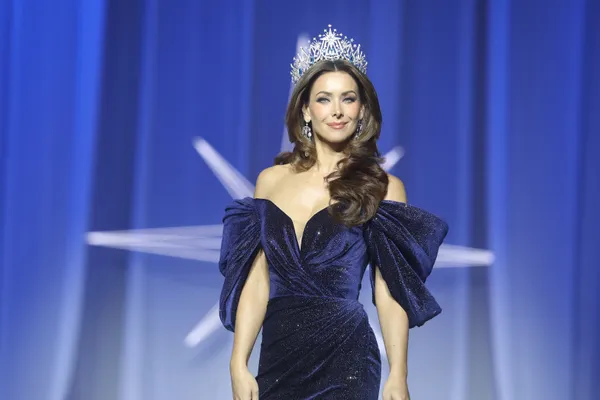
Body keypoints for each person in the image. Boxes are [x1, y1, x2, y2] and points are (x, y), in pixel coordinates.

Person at [218, 25, 448, 400]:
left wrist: (398, 374)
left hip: (347, 356)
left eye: (348, 99)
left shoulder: (384, 187)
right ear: (306, 110)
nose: (337, 110)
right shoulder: (270, 181)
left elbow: (388, 289)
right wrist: (237, 362)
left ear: (362, 110)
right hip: (278, 354)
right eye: (324, 99)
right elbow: (257, 278)